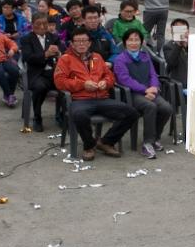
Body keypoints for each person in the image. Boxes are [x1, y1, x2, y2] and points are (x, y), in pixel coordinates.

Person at [53, 27, 137, 161]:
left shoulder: (97, 57)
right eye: (77, 41)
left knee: (131, 113)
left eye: (84, 41)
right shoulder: (65, 59)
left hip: (102, 98)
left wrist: (106, 82)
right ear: (72, 43)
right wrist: (82, 84)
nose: (81, 44)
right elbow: (59, 82)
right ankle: (89, 146)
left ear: (89, 43)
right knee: (80, 115)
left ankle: (106, 142)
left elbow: (110, 76)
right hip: (80, 99)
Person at [111, 28, 172, 158]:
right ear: (125, 42)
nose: (133, 43)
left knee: (167, 108)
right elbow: (125, 80)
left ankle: (155, 138)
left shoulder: (145, 56)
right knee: (150, 106)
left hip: (149, 92)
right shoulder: (120, 59)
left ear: (141, 42)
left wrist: (154, 87)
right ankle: (147, 143)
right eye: (130, 40)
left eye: (136, 40)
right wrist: (145, 90)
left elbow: (153, 74)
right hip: (131, 94)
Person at [19, 12, 63, 132]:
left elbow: (64, 53)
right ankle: (37, 117)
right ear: (32, 25)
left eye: (45, 24)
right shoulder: (26, 39)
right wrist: (46, 54)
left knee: (65, 85)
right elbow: (28, 57)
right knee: (40, 87)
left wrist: (59, 53)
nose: (42, 27)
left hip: (54, 72)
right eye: (38, 24)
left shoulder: (54, 37)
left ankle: (61, 115)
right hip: (36, 73)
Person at [163, 18, 189, 86]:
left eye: (182, 29)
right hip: (179, 83)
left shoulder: (193, 44)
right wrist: (179, 44)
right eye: (177, 29)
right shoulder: (168, 46)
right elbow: (171, 63)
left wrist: (187, 45)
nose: (180, 33)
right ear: (172, 31)